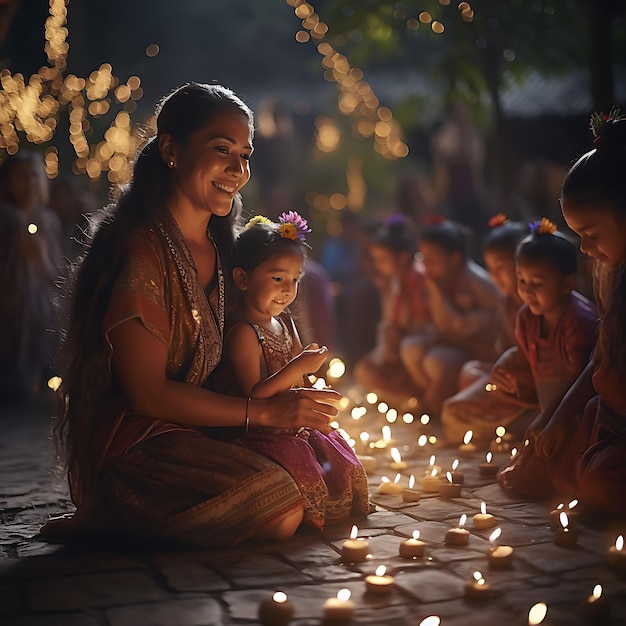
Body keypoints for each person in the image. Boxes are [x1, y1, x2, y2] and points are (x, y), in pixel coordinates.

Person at [43, 83, 342, 547]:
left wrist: (290, 394)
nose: (238, 169)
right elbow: (146, 395)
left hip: (214, 424)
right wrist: (264, 415)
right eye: (221, 150)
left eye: (245, 154)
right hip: (141, 438)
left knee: (328, 471)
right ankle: (111, 510)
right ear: (171, 150)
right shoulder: (141, 248)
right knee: (278, 506)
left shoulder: (227, 248)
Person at [498, 111, 626, 517]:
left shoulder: (579, 312)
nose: (585, 249)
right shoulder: (610, 271)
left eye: (591, 234)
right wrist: (558, 418)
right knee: (543, 461)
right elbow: (599, 361)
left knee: (595, 481)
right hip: (603, 414)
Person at [216, 213, 369, 529]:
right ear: (243, 279)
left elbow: (297, 375)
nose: (287, 290)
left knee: (335, 449)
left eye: (295, 280)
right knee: (302, 466)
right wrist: (298, 367)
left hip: (293, 423)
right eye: (277, 278)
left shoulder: (284, 323)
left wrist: (312, 382)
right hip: (261, 431)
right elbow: (255, 395)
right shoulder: (244, 332)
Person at [442, 218, 597, 445]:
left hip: (570, 410)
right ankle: (523, 428)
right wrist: (506, 363)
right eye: (522, 280)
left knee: (546, 444)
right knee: (454, 411)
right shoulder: (525, 316)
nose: (527, 290)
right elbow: (524, 356)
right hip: (535, 398)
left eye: (538, 283)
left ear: (567, 284)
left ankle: (525, 429)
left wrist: (549, 419)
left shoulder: (579, 320)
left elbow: (575, 385)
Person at [400, 218, 500, 417]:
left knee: (435, 361)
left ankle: (438, 405)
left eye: (434, 260)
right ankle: (430, 399)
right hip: (455, 343)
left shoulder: (477, 282)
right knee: (411, 347)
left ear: (454, 259)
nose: (426, 266)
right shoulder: (437, 278)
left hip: (482, 353)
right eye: (423, 258)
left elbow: (456, 326)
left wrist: (435, 292)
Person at [0, 151, 63, 402]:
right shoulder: (7, 218)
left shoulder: (48, 220)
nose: (30, 183)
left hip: (41, 306)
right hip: (11, 307)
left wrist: (43, 258)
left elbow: (56, 270)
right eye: (22, 177)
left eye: (35, 175)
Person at [353, 215, 430, 404]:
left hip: (420, 344)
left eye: (383, 259)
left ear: (403, 257)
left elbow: (423, 323)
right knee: (363, 370)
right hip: (398, 346)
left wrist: (396, 336)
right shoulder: (395, 281)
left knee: (407, 350)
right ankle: (405, 398)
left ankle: (421, 398)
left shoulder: (418, 278)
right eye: (376, 259)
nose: (378, 265)